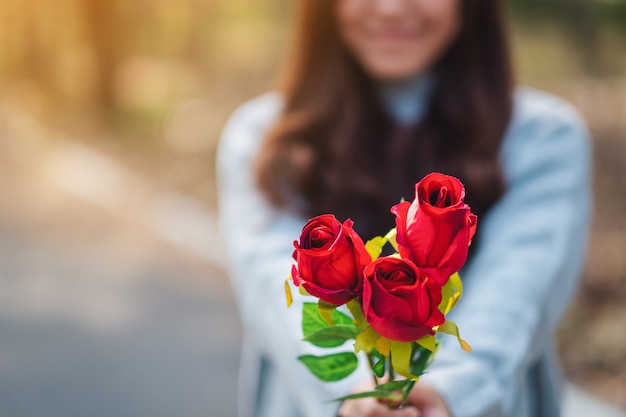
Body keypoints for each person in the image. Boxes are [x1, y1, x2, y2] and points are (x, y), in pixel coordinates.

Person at [216, 1, 592, 416]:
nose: (392, 8)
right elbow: (272, 285)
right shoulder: (262, 139)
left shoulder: (542, 137)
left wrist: (447, 394)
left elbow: (516, 294)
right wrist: (356, 394)